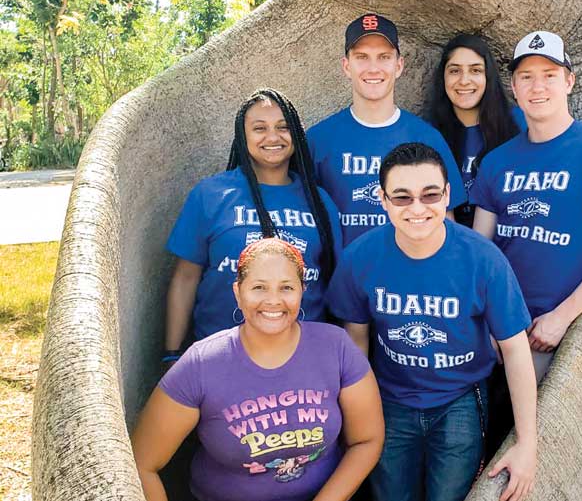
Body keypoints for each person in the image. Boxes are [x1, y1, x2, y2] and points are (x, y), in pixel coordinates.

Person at [326, 143, 537, 501]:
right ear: (383, 199)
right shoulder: (360, 257)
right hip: (388, 398)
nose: (417, 208)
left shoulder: (483, 259)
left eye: (430, 195)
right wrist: (357, 418)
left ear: (447, 195)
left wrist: (527, 443)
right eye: (402, 197)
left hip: (460, 398)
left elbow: (515, 349)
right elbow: (356, 342)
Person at [132, 238, 384, 501]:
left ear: (302, 290)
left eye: (286, 287)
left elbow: (367, 440)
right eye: (259, 288)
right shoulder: (201, 364)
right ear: (238, 292)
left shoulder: (336, 346)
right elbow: (142, 463)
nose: (273, 300)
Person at [470, 31, 582, 382]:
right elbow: (479, 249)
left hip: (558, 331)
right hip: (497, 327)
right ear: (514, 88)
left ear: (569, 82)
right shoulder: (496, 162)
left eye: (549, 75)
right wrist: (487, 320)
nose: (537, 87)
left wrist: (562, 317)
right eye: (526, 77)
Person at [164, 88, 343, 365]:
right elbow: (185, 277)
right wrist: (172, 354)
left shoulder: (319, 202)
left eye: (283, 127)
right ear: (242, 136)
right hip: (220, 359)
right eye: (260, 128)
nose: (273, 137)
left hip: (303, 360)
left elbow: (335, 284)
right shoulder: (211, 195)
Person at [307, 13, 466, 246]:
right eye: (362, 57)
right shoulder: (318, 139)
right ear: (346, 66)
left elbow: (446, 224)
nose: (373, 68)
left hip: (411, 267)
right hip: (344, 268)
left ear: (399, 65)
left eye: (384, 57)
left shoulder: (427, 138)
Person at [427, 33, 526, 228]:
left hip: (509, 236)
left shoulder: (519, 124)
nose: (464, 80)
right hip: (451, 238)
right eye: (454, 71)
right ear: (443, 77)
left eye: (475, 70)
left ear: (488, 76)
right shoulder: (429, 134)